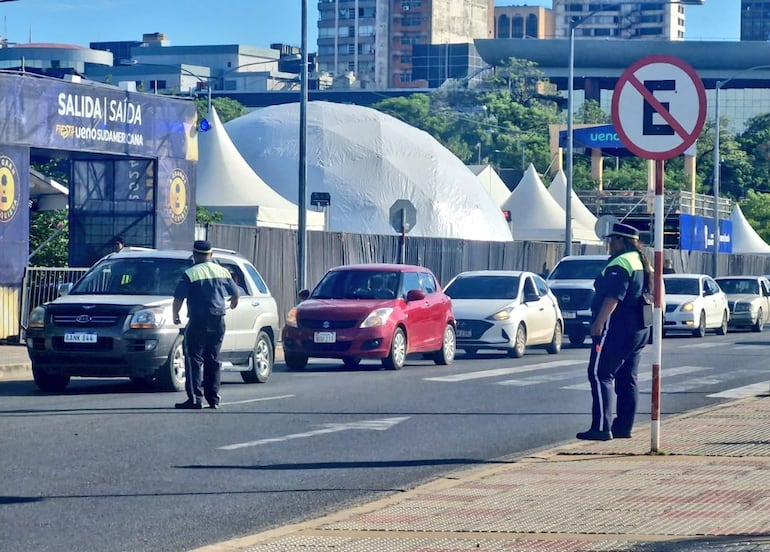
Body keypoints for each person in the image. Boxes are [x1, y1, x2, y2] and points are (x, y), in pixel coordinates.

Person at [577, 222, 652, 441]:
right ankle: (623, 427)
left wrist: (599, 324)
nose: (608, 244)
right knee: (628, 378)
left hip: (616, 326)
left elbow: (613, 297)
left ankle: (601, 427)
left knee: (600, 374)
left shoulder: (620, 263)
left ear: (621, 241)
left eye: (611, 240)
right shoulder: (642, 261)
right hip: (640, 327)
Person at [172, 240, 239, 410]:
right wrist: (233, 302)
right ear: (211, 255)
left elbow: (178, 298)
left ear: (194, 255)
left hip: (198, 321)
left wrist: (175, 315)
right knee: (213, 359)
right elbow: (236, 292)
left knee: (194, 359)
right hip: (218, 320)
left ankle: (195, 399)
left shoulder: (190, 273)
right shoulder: (222, 271)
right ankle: (213, 399)